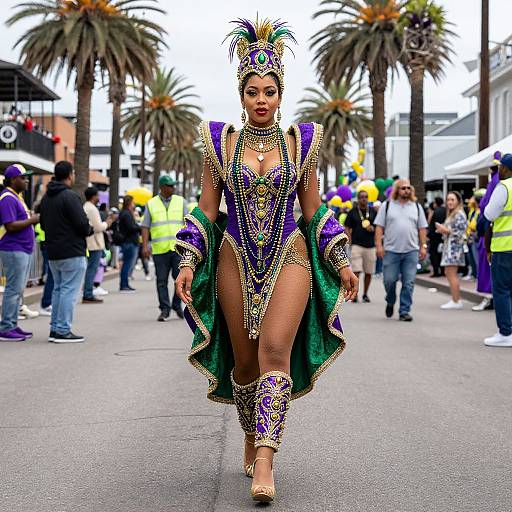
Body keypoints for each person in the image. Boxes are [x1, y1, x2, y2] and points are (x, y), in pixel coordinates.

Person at [173, 19, 358, 503]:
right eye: (253, 90)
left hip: (291, 254)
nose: (261, 99)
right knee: (246, 363)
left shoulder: (302, 143)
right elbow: (207, 210)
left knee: (275, 349)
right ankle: (252, 437)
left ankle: (266, 460)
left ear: (280, 95)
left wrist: (339, 260)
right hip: (235, 258)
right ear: (241, 94)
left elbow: (314, 211)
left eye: (270, 91)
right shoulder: (220, 143)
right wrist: (189, 261)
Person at [40, 161, 92, 343]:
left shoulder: (47, 197)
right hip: (72, 250)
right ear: (70, 175)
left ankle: (55, 328)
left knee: (59, 289)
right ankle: (62, 330)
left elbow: (43, 224)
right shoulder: (70, 196)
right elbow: (82, 224)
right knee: (69, 291)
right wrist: (89, 229)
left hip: (53, 251)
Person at [375, 179, 428, 321]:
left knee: (409, 282)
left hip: (411, 251)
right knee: (389, 281)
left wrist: (423, 247)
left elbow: (422, 228)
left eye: (408, 188)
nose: (406, 190)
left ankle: (404, 311)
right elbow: (379, 227)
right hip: (391, 251)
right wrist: (379, 246)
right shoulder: (387, 206)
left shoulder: (416, 207)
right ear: (397, 190)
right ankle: (390, 300)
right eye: (403, 188)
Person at [0, 164, 39, 341]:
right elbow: (10, 225)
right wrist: (32, 220)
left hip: (21, 248)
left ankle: (12, 324)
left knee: (17, 290)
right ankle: (6, 327)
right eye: (23, 177)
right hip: (13, 248)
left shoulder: (17, 197)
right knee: (13, 289)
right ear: (13, 179)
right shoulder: (8, 198)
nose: (26, 180)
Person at [142, 176, 187, 321]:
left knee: (179, 279)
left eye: (173, 185)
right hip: (159, 250)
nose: (172, 188)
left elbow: (188, 224)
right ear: (161, 187)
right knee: (161, 281)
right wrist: (144, 246)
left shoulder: (181, 202)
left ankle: (176, 304)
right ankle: (164, 309)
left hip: (178, 249)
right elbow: (145, 226)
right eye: (169, 186)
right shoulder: (151, 204)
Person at [483, 154, 512, 346]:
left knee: (501, 290)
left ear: (505, 168)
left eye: (500, 166)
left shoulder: (504, 187)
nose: (498, 170)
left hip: (504, 248)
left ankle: (505, 333)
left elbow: (489, 213)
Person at [436, 191, 468, 310]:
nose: (449, 202)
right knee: (449, 273)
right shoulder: (452, 214)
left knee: (451, 273)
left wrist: (445, 230)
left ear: (458, 201)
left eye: (452, 200)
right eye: (448, 200)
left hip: (454, 249)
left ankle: (456, 300)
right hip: (450, 247)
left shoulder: (459, 214)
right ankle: (455, 299)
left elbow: (461, 232)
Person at [344, 189, 377, 302]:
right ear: (358, 199)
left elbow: (378, 226)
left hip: (370, 245)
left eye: (366, 197)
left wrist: (373, 228)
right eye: (362, 197)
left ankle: (365, 294)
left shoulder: (373, 211)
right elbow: (346, 227)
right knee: (356, 271)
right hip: (357, 245)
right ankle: (355, 293)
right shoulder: (353, 212)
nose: (364, 199)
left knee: (369, 272)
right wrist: (349, 239)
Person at [83, 186, 112, 304]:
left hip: (91, 242)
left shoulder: (87, 207)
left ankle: (88, 292)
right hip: (94, 243)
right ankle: (88, 293)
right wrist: (107, 223)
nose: (98, 198)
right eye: (97, 195)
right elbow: (98, 227)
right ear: (93, 196)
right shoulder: (92, 209)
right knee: (92, 269)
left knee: (91, 268)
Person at [118, 195, 140, 293]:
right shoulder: (126, 214)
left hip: (129, 242)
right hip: (129, 242)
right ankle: (124, 285)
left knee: (127, 264)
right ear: (129, 203)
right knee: (127, 264)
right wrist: (139, 227)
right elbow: (130, 227)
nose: (134, 205)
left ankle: (125, 284)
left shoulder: (126, 213)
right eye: (133, 203)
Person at [427, 197, 446, 277]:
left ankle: (436, 271)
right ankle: (442, 270)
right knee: (441, 253)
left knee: (434, 254)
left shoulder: (435, 212)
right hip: (442, 236)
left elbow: (432, 224)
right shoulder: (445, 211)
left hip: (435, 236)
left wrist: (429, 235)